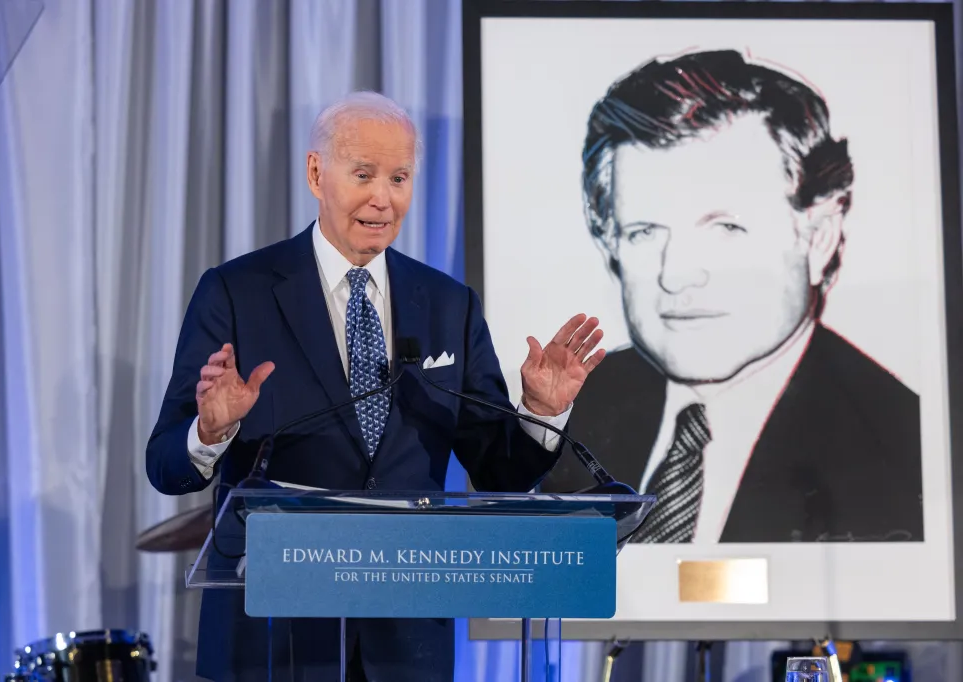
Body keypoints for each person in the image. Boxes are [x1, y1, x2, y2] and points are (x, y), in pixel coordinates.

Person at [145, 91, 606, 682]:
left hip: (406, 644)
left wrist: (540, 412)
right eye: (363, 174)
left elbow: (500, 472)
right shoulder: (237, 292)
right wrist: (211, 429)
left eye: (399, 177)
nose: (383, 199)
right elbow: (166, 465)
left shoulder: (447, 305)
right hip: (272, 636)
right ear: (317, 173)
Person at [539, 50, 923, 544]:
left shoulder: (901, 446)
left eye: (726, 227)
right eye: (643, 232)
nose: (676, 275)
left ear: (819, 236)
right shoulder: (582, 404)